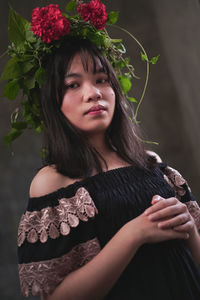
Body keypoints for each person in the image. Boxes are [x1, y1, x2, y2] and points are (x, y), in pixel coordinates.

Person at [3, 1, 200, 300]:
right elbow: (55, 296)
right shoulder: (53, 182)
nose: (92, 93)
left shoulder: (150, 163)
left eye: (101, 80)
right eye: (73, 85)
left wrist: (191, 230)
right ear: (51, 102)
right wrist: (133, 234)